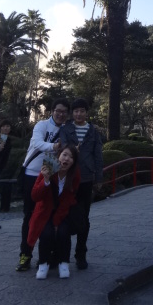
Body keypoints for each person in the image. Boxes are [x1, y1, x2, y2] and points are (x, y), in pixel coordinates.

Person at [15, 98, 70, 272]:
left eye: (64, 112)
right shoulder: (41, 125)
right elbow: (36, 143)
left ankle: (47, 256)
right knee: (29, 215)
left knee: (49, 215)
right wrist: (54, 146)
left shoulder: (66, 130)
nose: (60, 114)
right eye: (58, 111)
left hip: (51, 174)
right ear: (52, 111)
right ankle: (25, 254)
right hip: (32, 173)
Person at [60, 97, 103, 269]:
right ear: (72, 113)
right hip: (69, 177)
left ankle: (81, 254)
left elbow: (98, 155)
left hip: (86, 178)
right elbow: (63, 148)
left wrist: (99, 178)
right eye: (76, 111)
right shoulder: (66, 129)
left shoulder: (93, 131)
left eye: (82, 111)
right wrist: (72, 151)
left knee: (84, 217)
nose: (79, 114)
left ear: (87, 113)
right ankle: (62, 254)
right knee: (64, 215)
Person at [27, 145, 80, 279]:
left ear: (74, 162)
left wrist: (56, 222)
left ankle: (64, 263)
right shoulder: (49, 167)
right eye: (64, 155)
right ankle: (43, 264)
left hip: (63, 211)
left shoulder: (75, 174)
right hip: (45, 210)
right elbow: (35, 196)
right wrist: (45, 180)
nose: (66, 159)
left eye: (71, 157)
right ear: (59, 156)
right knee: (46, 233)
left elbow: (68, 199)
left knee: (63, 232)